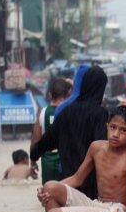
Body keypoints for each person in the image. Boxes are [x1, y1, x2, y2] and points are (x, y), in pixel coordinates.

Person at [31, 66, 110, 199]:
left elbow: (45, 142)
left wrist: (34, 156)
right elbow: (103, 150)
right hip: (93, 187)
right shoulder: (101, 114)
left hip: (67, 185)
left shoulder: (66, 112)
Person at [31, 78, 72, 184]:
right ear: (69, 93)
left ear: (49, 95)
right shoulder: (71, 111)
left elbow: (35, 142)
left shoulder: (42, 113)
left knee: (48, 197)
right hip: (67, 162)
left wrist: (33, 163)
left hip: (47, 163)